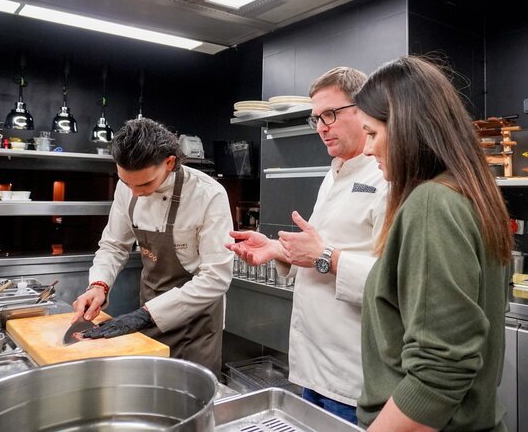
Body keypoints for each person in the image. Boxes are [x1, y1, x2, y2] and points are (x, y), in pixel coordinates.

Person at [355, 56, 512, 431]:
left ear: (408, 128)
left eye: (372, 134)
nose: (366, 149)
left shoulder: (431, 203)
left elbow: (439, 371)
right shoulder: (470, 194)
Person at [226, 67, 387, 424]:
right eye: (316, 117)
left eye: (330, 114)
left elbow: (395, 280)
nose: (321, 126)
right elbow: (322, 253)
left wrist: (324, 256)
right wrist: (275, 249)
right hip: (313, 366)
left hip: (353, 374)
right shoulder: (334, 173)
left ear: (363, 109)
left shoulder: (386, 176)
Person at [71, 118, 233, 374]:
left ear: (169, 163)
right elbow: (114, 245)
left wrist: (145, 315)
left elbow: (215, 278)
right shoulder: (129, 188)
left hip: (195, 320)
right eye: (127, 183)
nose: (135, 193)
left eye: (145, 184)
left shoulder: (208, 195)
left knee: (188, 395)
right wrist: (98, 285)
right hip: (149, 307)